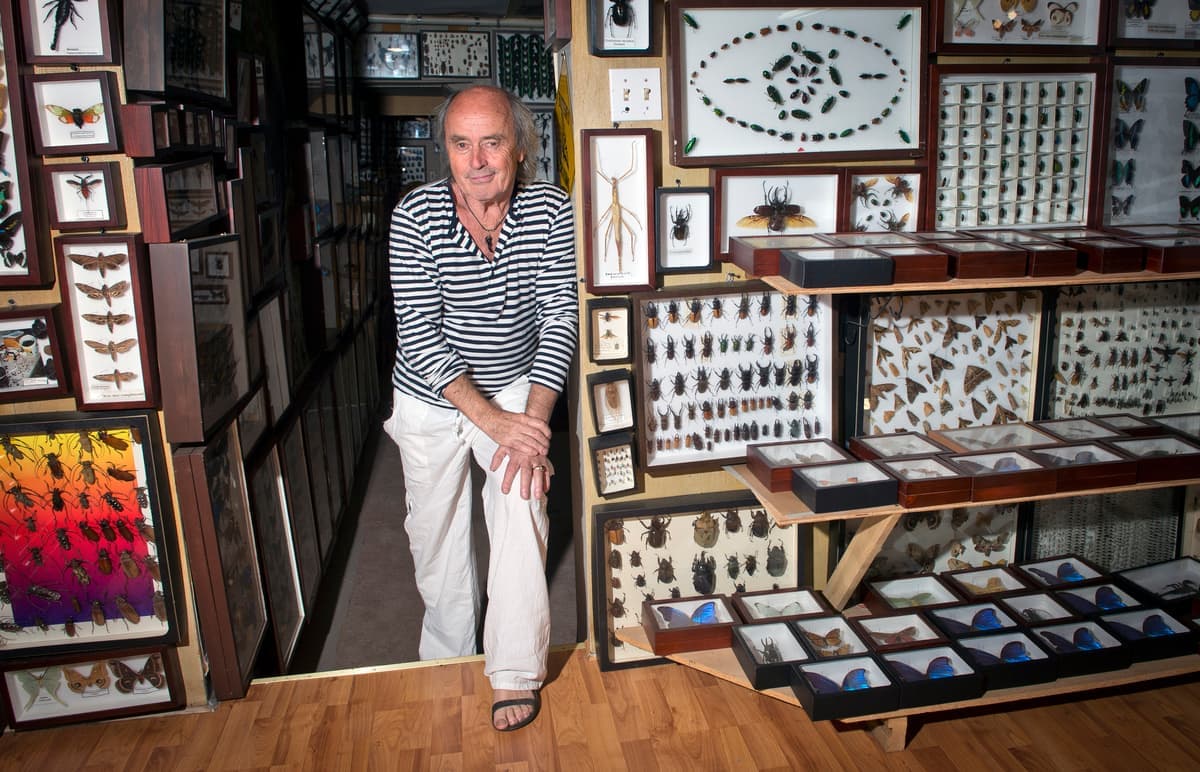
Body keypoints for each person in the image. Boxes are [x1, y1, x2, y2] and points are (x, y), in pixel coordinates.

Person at [383, 85, 577, 732]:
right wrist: (491, 422)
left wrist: (534, 423)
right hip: (432, 395)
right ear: (446, 150)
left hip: (517, 382)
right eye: (461, 144)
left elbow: (559, 317)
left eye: (491, 141)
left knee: (522, 499)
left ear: (519, 147)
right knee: (434, 536)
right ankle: (446, 658)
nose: (477, 160)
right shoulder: (413, 217)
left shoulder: (552, 211)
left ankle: (515, 670)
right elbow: (419, 332)